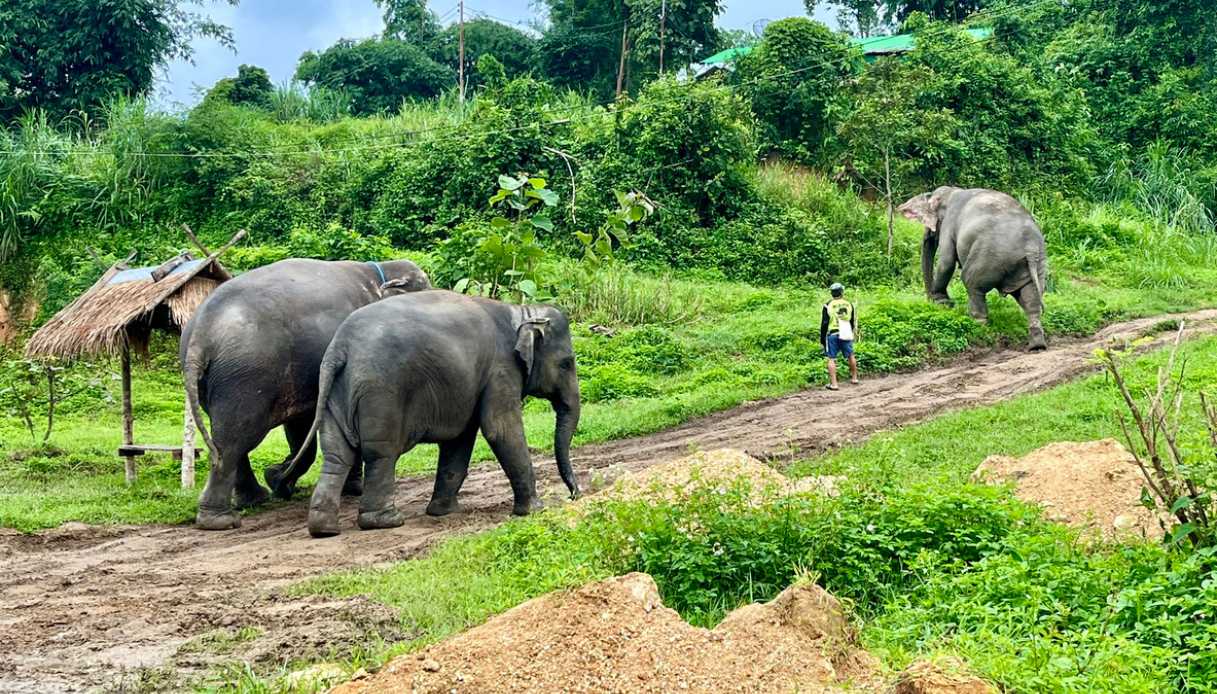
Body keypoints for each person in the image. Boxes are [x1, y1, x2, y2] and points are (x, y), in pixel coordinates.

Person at [819, 282, 858, 391]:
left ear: (832, 293)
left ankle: (834, 384)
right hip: (846, 331)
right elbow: (852, 321)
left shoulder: (827, 305)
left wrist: (822, 338)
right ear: (842, 292)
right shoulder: (849, 304)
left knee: (831, 358)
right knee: (850, 355)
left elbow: (824, 323)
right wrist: (851, 332)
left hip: (833, 333)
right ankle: (854, 378)